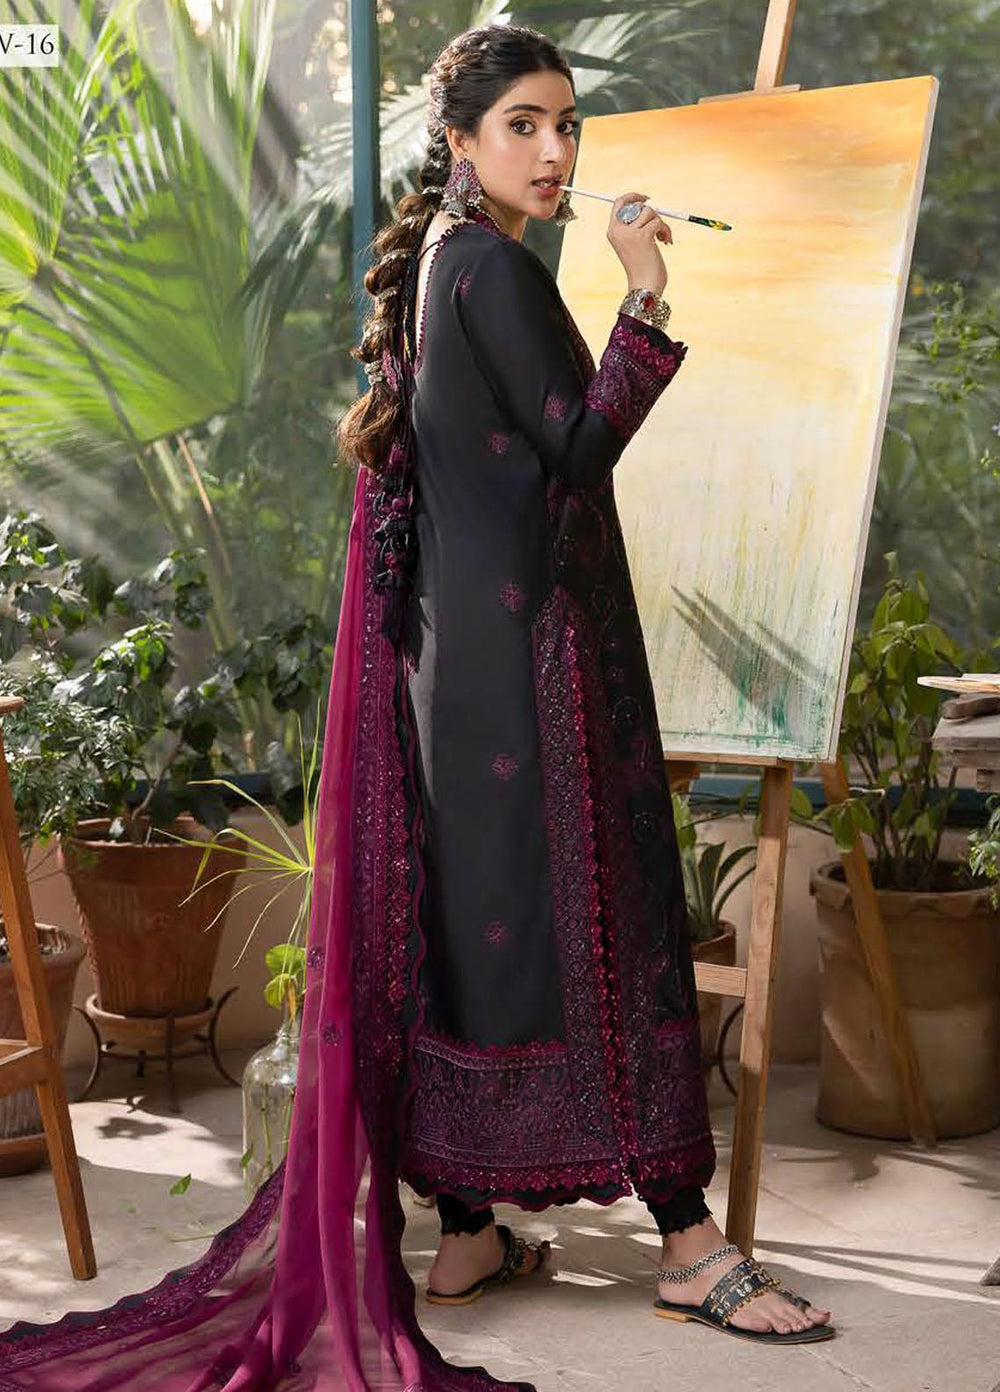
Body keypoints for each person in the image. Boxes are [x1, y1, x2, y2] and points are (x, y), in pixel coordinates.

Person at [0, 24, 832, 1392]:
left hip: (459, 673)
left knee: (473, 936)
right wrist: (646, 298)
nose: (554, 151)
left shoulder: (440, 261)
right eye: (523, 126)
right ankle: (690, 1246)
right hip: (535, 670)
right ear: (459, 140)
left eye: (567, 124)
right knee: (602, 926)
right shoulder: (494, 268)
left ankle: (468, 1236)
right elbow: (578, 448)